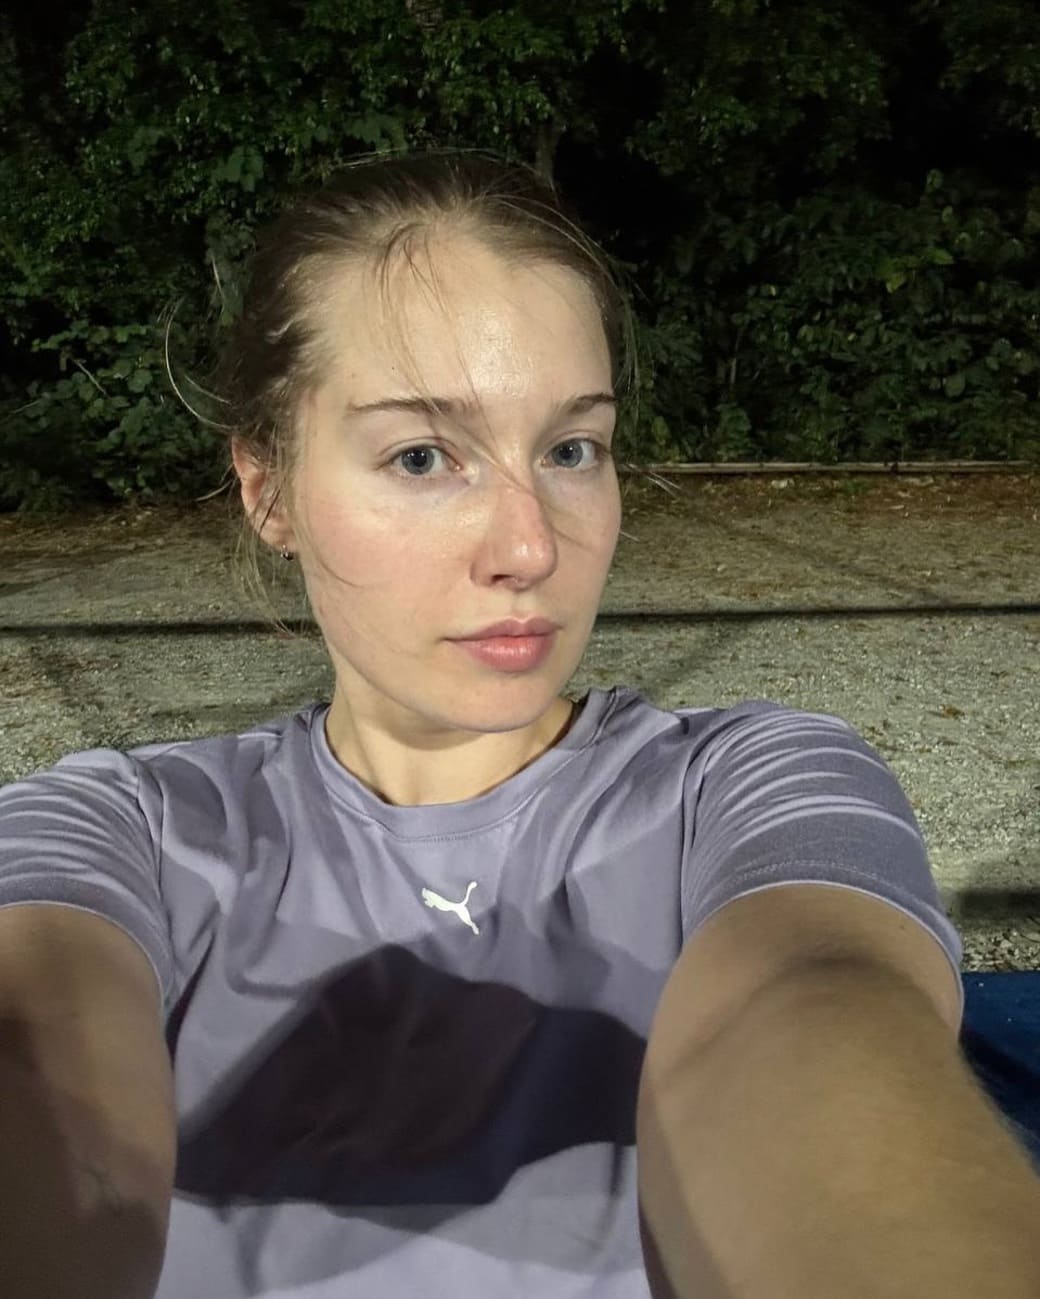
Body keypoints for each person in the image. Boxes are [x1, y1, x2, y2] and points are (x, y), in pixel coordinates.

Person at [1, 150, 1039, 1299]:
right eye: (421, 456)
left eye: (569, 450)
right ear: (268, 489)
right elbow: (40, 1051)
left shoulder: (753, 784)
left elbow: (812, 1006)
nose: (530, 546)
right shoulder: (117, 828)